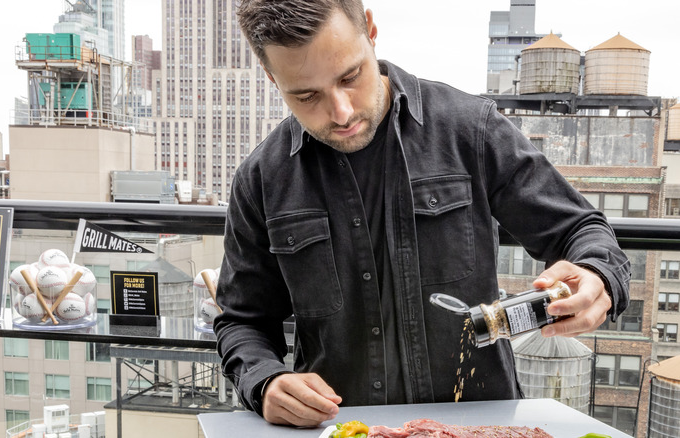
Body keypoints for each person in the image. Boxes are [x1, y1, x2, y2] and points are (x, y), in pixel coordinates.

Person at [214, 0, 631, 428]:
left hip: (479, 429)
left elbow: (581, 230)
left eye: (349, 76)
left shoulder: (470, 129)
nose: (340, 113)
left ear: (370, 30)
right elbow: (242, 321)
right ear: (271, 76)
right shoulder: (261, 178)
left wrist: (597, 275)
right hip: (345, 432)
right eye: (306, 95)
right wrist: (264, 381)